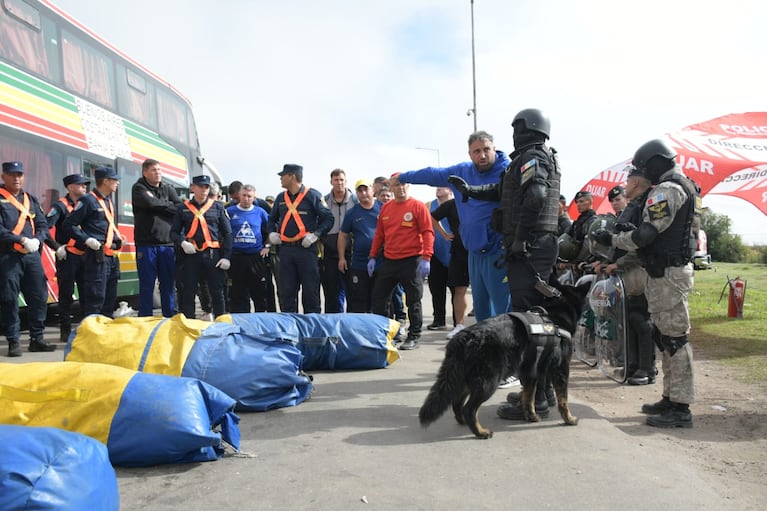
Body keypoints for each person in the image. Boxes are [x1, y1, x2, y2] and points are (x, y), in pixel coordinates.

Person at [451, 108, 562, 413]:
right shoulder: (533, 158)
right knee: (535, 320)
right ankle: (543, 392)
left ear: (527, 128)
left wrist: (520, 238)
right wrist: (470, 190)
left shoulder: (532, 157)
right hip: (534, 247)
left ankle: (536, 399)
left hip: (531, 248)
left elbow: (537, 195)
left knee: (529, 324)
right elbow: (503, 191)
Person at [594, 139, 699, 428]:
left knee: (675, 340)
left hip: (669, 274)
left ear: (653, 164)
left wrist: (613, 240)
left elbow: (646, 235)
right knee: (666, 338)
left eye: (641, 168)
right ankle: (670, 397)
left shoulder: (668, 189)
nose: (639, 173)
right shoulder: (680, 186)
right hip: (665, 272)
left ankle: (680, 406)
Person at [396, 131, 511, 324]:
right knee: (481, 312)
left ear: (494, 148)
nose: (482, 155)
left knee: (503, 314)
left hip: (498, 252)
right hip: (474, 253)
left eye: (486, 150)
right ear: (469, 154)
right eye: (476, 151)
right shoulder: (463, 171)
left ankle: (509, 353)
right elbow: (432, 174)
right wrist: (403, 177)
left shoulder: (508, 172)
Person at [592, 165, 655, 386]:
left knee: (642, 321)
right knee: (629, 320)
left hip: (639, 271)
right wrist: (608, 262)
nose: (625, 186)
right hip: (625, 273)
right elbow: (620, 242)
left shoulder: (645, 207)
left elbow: (639, 245)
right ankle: (633, 364)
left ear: (636, 183)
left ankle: (647, 369)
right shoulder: (636, 207)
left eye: (628, 182)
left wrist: (617, 264)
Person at [368, 174, 434, 350]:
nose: (400, 187)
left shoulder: (417, 206)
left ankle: (414, 336)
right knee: (379, 298)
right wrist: (373, 256)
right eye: (396, 185)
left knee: (413, 300)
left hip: (412, 260)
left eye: (403, 184)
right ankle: (385, 334)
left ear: (408, 186)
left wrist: (426, 258)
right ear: (391, 187)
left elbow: (428, 232)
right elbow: (379, 235)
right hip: (390, 260)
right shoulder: (386, 209)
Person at [0, 161, 54, 356]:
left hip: (31, 257)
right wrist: (21, 239)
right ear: (3, 176)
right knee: (9, 299)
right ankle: (13, 341)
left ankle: (36, 339)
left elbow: (42, 225)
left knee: (39, 296)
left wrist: (38, 240)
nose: (16, 178)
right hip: (8, 257)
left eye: (20, 175)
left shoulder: (30, 199)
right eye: (12, 175)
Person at [267, 164, 333, 313]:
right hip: (285, 251)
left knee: (311, 293)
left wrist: (316, 235)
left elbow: (328, 218)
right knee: (287, 293)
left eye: (283, 175)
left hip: (306, 251)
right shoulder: (280, 198)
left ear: (292, 176)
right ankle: (289, 330)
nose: (281, 179)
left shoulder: (312, 195)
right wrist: (271, 233)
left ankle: (311, 330)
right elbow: (271, 220)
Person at [64, 166, 124, 318]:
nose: (117, 183)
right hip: (96, 256)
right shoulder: (88, 200)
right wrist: (87, 239)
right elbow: (68, 225)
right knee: (96, 298)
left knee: (110, 298)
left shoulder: (108, 201)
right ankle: (91, 336)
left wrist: (117, 237)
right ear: (105, 181)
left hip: (111, 256)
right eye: (114, 180)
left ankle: (105, 334)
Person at [170, 175, 232, 319]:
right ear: (192, 188)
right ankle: (189, 324)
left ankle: (220, 322)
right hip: (191, 255)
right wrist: (182, 242)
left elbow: (228, 233)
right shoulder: (183, 208)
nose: (204, 189)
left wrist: (226, 257)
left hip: (212, 254)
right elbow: (173, 232)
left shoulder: (217, 207)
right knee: (188, 291)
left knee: (217, 291)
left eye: (206, 187)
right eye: (200, 186)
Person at [131, 158, 182, 317]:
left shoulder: (168, 189)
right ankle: (145, 319)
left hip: (167, 244)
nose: (158, 173)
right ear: (145, 172)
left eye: (159, 170)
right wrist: (167, 206)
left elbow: (179, 208)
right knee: (147, 285)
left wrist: (160, 204)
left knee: (168, 285)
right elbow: (150, 203)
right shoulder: (139, 188)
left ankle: (169, 316)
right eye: (154, 170)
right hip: (146, 245)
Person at [45, 173, 90, 342]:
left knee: (87, 294)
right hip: (68, 256)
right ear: (70, 187)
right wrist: (57, 247)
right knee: (66, 294)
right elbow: (45, 227)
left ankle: (87, 328)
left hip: (85, 255)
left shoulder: (86, 204)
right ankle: (65, 330)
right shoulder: (60, 206)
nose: (85, 187)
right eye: (81, 185)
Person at [338, 179, 381, 313]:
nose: (363, 193)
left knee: (381, 299)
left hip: (382, 261)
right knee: (359, 299)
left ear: (372, 190)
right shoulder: (352, 213)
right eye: (359, 191)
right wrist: (341, 258)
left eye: (365, 189)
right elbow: (343, 235)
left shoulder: (384, 208)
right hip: (360, 263)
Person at [430, 196, 470, 340]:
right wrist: (444, 234)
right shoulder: (451, 204)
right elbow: (432, 217)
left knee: (488, 290)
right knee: (459, 289)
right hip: (459, 252)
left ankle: (489, 323)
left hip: (481, 251)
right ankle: (459, 326)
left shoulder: (482, 200)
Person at [227, 184, 270, 312]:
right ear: (239, 196)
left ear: (254, 197)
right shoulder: (230, 212)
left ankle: (260, 323)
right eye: (244, 195)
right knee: (238, 294)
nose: (246, 199)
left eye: (249, 196)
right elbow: (223, 232)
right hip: (236, 257)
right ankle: (241, 323)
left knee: (259, 293)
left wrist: (267, 246)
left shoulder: (260, 212)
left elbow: (270, 229)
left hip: (255, 257)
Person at [321, 168, 358, 313]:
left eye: (342, 180)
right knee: (331, 292)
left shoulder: (355, 200)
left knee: (353, 291)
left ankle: (351, 324)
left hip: (351, 253)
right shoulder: (324, 201)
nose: (339, 183)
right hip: (330, 253)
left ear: (346, 181)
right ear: (331, 182)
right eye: (336, 180)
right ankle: (332, 324)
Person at [425, 187, 453, 332]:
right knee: (436, 289)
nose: (438, 188)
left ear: (450, 190)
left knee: (457, 290)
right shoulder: (428, 205)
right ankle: (439, 320)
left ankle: (457, 321)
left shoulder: (458, 204)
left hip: (455, 253)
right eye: (437, 187)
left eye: (442, 186)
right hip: (434, 254)